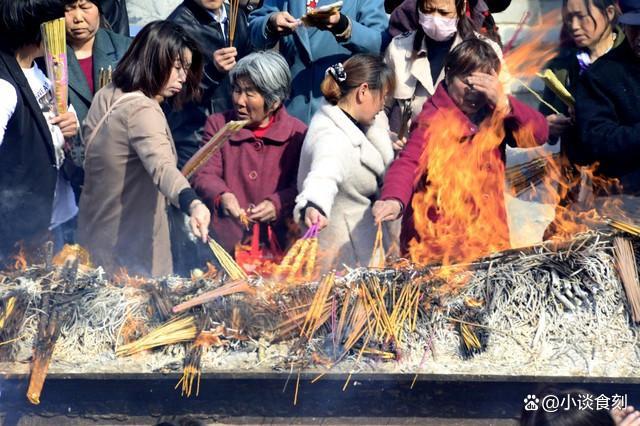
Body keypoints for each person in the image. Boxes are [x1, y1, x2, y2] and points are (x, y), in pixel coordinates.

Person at [373, 39, 548, 257]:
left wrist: (504, 103)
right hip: (437, 246)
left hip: (488, 241)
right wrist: (394, 199)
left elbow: (539, 134)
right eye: (467, 82)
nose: (474, 91)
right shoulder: (434, 117)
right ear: (448, 75)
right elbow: (409, 162)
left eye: (483, 84)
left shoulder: (497, 111)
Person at [77, 21, 211, 277]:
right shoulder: (142, 110)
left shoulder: (107, 93)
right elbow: (162, 167)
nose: (183, 77)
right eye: (177, 67)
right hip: (132, 255)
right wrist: (192, 203)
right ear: (153, 60)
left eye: (186, 68)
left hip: (94, 234)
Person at [191, 50, 306, 256]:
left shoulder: (297, 133)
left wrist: (278, 203)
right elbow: (204, 174)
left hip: (281, 248)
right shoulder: (219, 126)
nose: (240, 101)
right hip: (227, 246)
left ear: (274, 101)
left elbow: (302, 185)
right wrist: (222, 195)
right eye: (237, 90)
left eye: (250, 93)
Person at [294, 54, 395, 269]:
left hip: (359, 248)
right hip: (342, 260)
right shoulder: (332, 137)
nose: (384, 105)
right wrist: (315, 205)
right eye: (383, 96)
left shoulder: (356, 123)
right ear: (363, 91)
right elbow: (324, 175)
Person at [0, 0, 80, 265]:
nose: (66, 27)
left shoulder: (45, 70)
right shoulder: (5, 86)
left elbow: (61, 118)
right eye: (57, 22)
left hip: (57, 212)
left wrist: (71, 125)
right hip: (21, 229)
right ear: (38, 27)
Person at [378, 0, 504, 153]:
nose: (435, 18)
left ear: (461, 8)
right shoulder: (398, 47)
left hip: (460, 161)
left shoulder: (487, 52)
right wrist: (385, 136)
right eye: (428, 11)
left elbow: (501, 109)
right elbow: (380, 106)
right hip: (408, 154)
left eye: (444, 13)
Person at [248, 0, 389, 123]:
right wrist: (271, 22)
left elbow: (378, 44)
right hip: (291, 105)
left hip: (338, 109)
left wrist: (343, 25)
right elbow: (254, 30)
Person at [167, 0, 253, 168]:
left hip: (235, 128)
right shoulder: (177, 26)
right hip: (195, 137)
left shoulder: (237, 15)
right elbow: (173, 98)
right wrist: (211, 72)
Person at [573, 0, 640, 195]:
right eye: (634, 28)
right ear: (624, 25)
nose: (639, 37)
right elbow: (596, 139)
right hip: (624, 197)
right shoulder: (600, 75)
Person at [541, 0, 623, 144]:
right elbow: (544, 122)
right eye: (569, 18)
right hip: (577, 163)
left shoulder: (630, 58)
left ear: (609, 13)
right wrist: (547, 126)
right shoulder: (561, 67)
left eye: (581, 16)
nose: (574, 26)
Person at [64, 0, 131, 174]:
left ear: (99, 10)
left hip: (120, 161)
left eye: (85, 7)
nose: (78, 18)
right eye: (68, 9)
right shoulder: (47, 54)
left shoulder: (126, 50)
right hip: (71, 164)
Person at [388, 0, 511, 44]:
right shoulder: (406, 14)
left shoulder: (486, 41)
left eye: (443, 12)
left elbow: (501, 3)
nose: (436, 17)